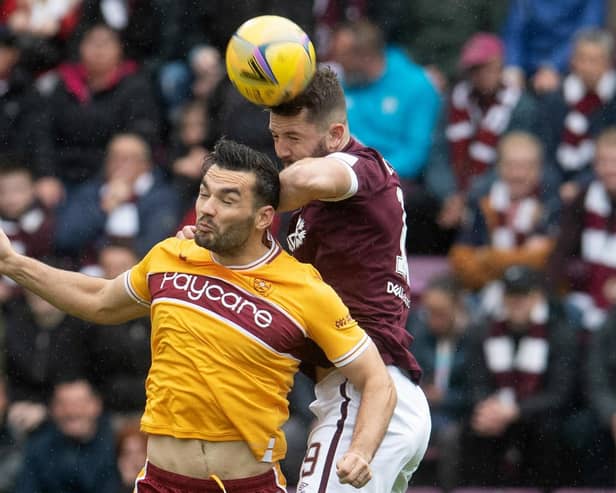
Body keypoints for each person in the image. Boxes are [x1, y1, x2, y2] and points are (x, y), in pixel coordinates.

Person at [0, 137, 397, 492]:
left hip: (249, 485)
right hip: (160, 482)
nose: (207, 209)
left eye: (227, 200)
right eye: (204, 193)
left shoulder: (305, 288)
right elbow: (101, 299)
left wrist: (361, 451)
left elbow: (377, 380)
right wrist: (13, 264)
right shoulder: (170, 255)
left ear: (263, 217)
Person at [269, 67, 431, 492]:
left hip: (360, 397)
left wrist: (233, 193)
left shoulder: (359, 167)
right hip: (378, 396)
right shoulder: (316, 211)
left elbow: (306, 177)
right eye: (275, 137)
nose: (282, 151)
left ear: (336, 133)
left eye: (293, 138)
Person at [458, 265, 577, 488]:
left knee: (549, 432)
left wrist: (516, 411)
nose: (516, 302)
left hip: (538, 416)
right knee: (475, 426)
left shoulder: (560, 333)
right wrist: (489, 408)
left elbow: (560, 393)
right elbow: (476, 381)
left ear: (537, 297)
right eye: (511, 295)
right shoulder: (483, 331)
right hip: (496, 414)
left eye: (523, 295)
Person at [14, 377, 120, 493]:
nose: (71, 411)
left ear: (97, 405)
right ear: (52, 409)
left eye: (80, 403)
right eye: (63, 404)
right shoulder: (38, 448)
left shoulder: (118, 445)